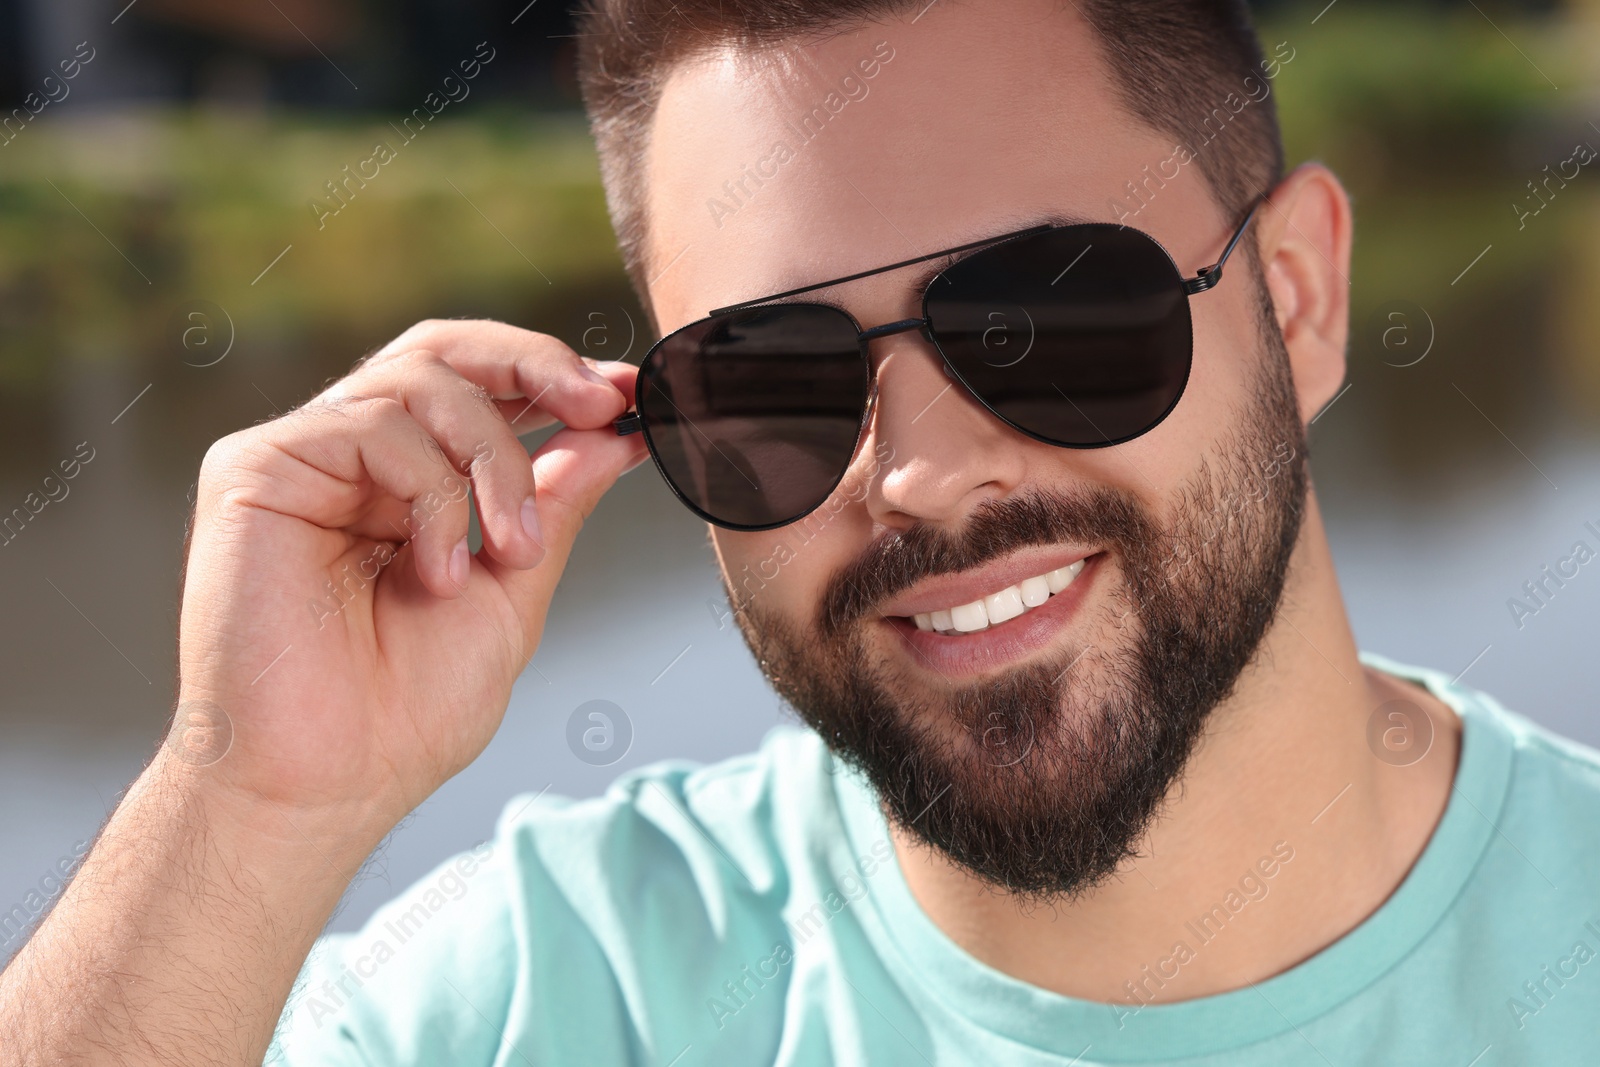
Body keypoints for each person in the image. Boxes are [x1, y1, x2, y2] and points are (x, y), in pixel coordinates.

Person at [5, 0, 1599, 1063]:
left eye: (1053, 313)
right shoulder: (557, 998)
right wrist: (249, 807)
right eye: (769, 381)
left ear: (1301, 298)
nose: (917, 477)